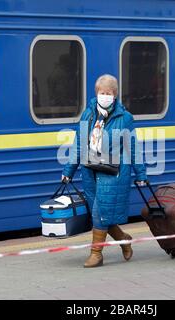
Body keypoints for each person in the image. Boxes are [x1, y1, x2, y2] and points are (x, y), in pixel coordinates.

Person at [62, 74, 147, 268]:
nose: (105, 96)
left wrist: (141, 174)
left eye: (109, 93)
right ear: (96, 93)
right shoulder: (88, 114)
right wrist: (68, 170)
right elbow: (78, 144)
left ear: (115, 95)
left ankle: (96, 253)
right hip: (89, 170)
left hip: (113, 170)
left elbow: (132, 146)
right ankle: (124, 239)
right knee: (99, 214)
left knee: (100, 212)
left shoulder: (124, 118)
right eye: (102, 92)